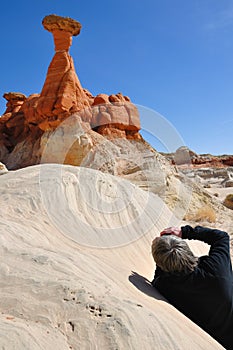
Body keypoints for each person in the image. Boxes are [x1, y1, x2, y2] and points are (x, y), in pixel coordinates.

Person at [151, 225, 233, 350]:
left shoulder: (165, 287)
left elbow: (159, 276)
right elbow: (221, 237)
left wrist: (162, 252)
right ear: (187, 250)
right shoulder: (215, 269)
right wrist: (184, 232)